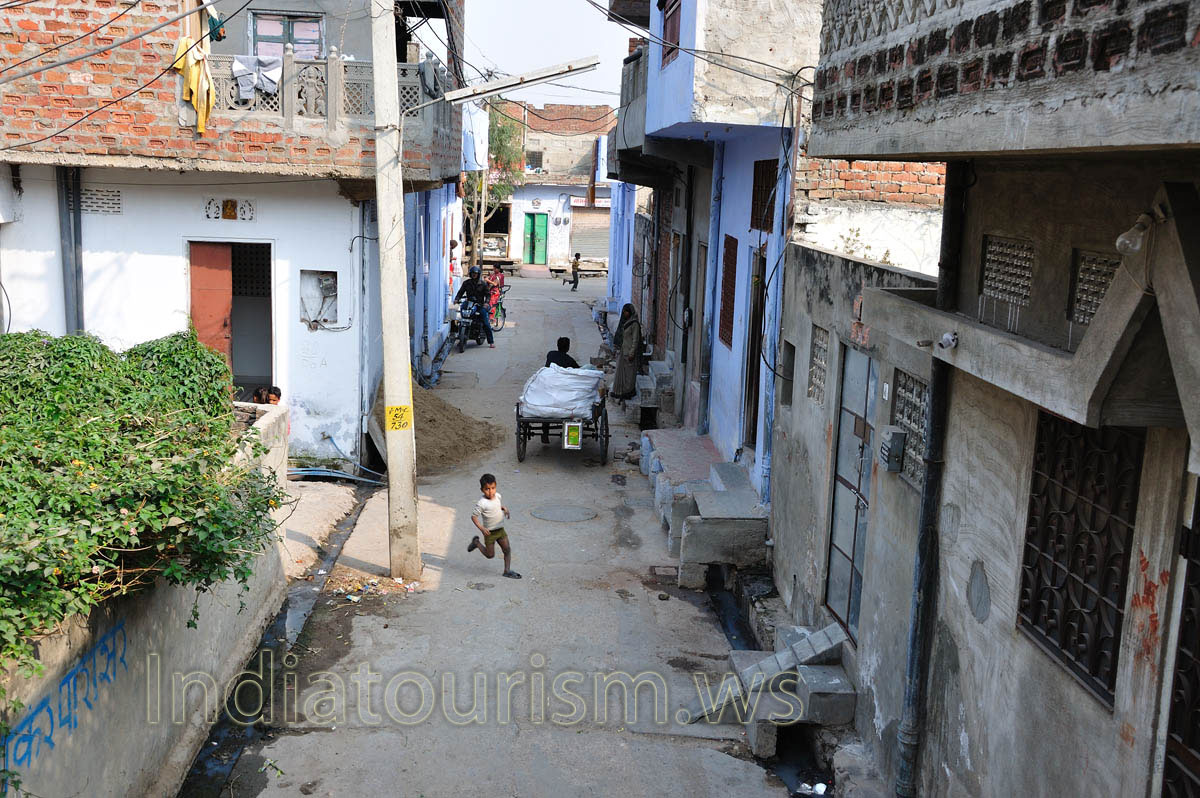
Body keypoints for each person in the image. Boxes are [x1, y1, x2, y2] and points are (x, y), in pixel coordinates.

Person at [466, 473, 521, 579]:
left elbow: (496, 506)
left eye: (493, 488)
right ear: (482, 489)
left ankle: (507, 570)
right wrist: (482, 528)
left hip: (500, 530)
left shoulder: (498, 496)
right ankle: (476, 543)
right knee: (490, 555)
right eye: (487, 489)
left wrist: (503, 508)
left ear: (496, 486)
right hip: (489, 533)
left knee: (507, 549)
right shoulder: (481, 503)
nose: (491, 491)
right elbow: (474, 517)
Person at [454, 265, 495, 348]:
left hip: (480, 305)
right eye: (472, 273)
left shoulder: (483, 284)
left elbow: (488, 295)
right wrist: (457, 299)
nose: (474, 275)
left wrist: (486, 303)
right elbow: (460, 292)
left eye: (475, 273)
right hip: (469, 303)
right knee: (460, 319)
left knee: (486, 323)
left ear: (478, 274)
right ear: (470, 274)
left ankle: (491, 341)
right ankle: (461, 338)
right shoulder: (466, 283)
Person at [611, 304, 641, 404]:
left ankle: (628, 392)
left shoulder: (634, 324)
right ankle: (620, 392)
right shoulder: (624, 321)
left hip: (629, 353)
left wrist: (632, 353)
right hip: (622, 352)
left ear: (630, 312)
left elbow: (635, 340)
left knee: (629, 375)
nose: (624, 313)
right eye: (623, 311)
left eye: (626, 311)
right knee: (620, 373)